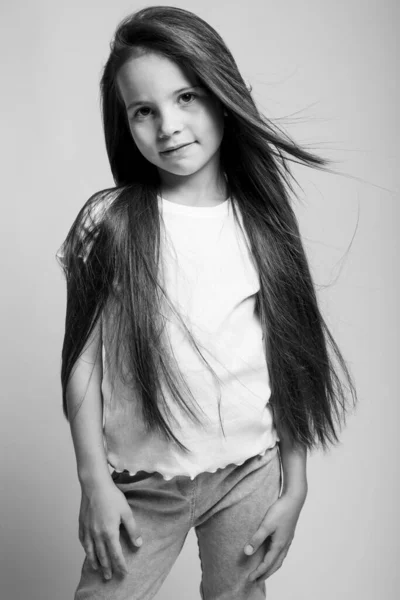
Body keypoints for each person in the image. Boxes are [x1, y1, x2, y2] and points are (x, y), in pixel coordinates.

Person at [57, 6, 357, 599]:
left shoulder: (262, 226)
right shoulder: (110, 223)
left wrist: (294, 486)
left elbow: (287, 359)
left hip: (250, 472)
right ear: (126, 124)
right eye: (144, 111)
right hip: (146, 483)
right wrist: (95, 481)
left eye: (186, 97)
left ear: (222, 96)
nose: (167, 125)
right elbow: (82, 365)